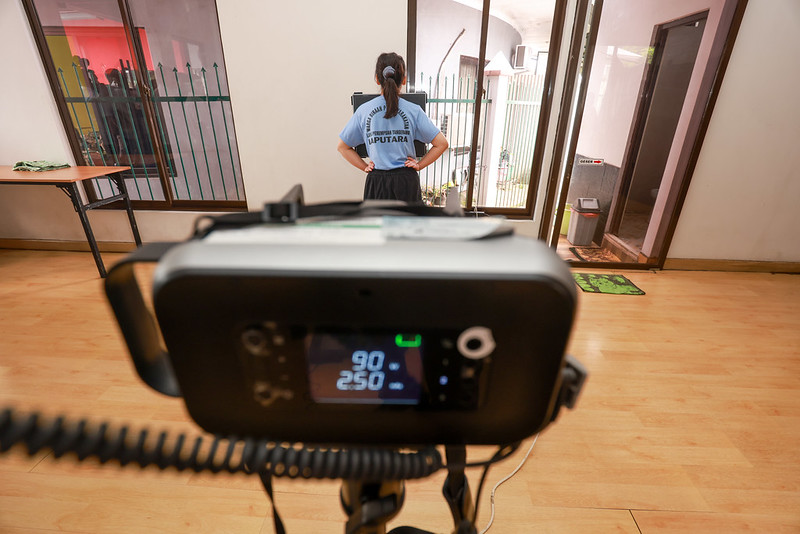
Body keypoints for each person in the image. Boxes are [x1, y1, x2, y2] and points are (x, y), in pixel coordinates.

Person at [338, 52, 449, 203]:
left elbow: (342, 147)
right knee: (408, 220)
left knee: (378, 220)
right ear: (403, 80)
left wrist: (364, 167)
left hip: (376, 183)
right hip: (406, 182)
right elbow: (442, 144)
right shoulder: (413, 110)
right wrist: (419, 165)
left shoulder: (364, 111)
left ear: (377, 79)